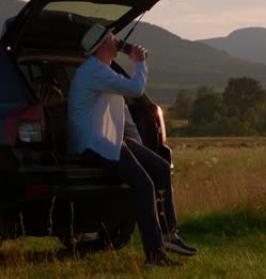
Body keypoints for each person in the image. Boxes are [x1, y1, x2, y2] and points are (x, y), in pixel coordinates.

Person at [67, 23, 197, 268]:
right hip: (94, 143)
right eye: (112, 37)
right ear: (104, 44)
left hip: (107, 138)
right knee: (144, 185)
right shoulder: (95, 71)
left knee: (159, 167)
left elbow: (122, 106)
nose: (117, 41)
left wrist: (135, 143)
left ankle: (169, 234)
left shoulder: (100, 70)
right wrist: (138, 61)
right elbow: (136, 89)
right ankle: (154, 255)